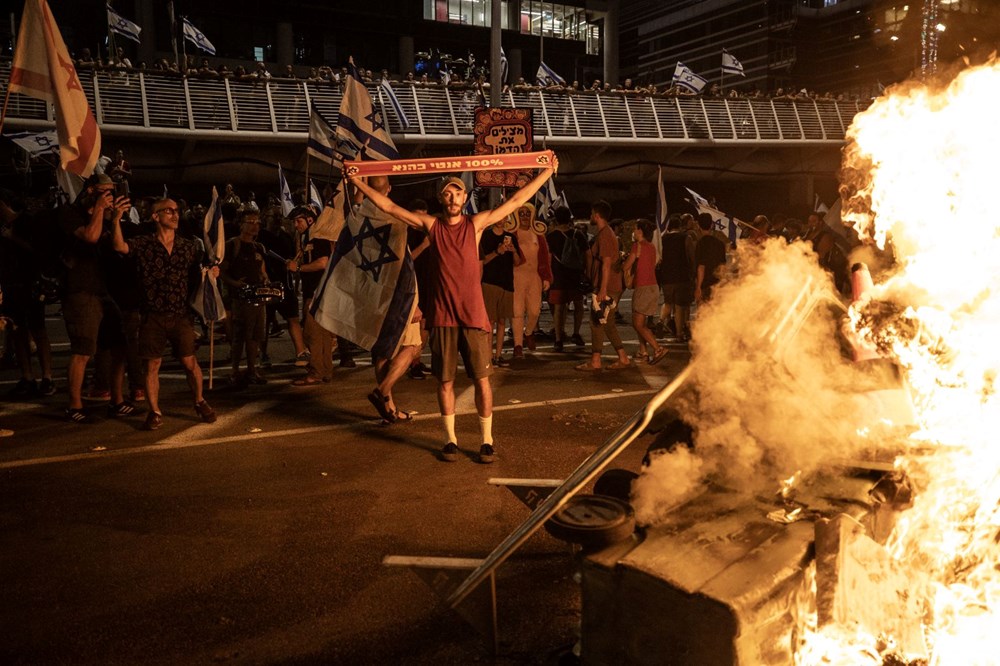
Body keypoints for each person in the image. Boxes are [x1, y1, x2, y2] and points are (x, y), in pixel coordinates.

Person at [349, 158, 557, 464]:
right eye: (448, 193)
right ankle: (450, 440)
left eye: (458, 193)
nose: (453, 198)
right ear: (441, 198)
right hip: (444, 317)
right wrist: (357, 181)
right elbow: (391, 208)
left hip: (473, 316)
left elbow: (516, 200)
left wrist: (547, 173)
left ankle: (486, 440)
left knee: (482, 381)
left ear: (464, 197)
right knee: (444, 382)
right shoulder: (432, 225)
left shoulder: (475, 224)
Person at [111, 197, 218, 430]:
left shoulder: (188, 247)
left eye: (177, 210)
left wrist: (212, 273)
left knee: (190, 362)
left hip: (180, 314)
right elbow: (120, 246)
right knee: (152, 365)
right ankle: (154, 411)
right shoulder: (143, 244)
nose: (175, 214)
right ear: (155, 216)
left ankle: (199, 401)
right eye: (168, 211)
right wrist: (116, 220)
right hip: (152, 315)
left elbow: (201, 272)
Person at [58, 175, 133, 423]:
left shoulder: (106, 215)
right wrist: (100, 209)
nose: (109, 197)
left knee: (119, 345)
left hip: (103, 290)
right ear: (91, 191)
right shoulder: (71, 213)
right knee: (83, 350)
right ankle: (74, 404)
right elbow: (90, 236)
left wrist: (117, 219)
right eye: (105, 192)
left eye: (112, 192)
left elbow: (116, 247)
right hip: (80, 290)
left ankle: (117, 400)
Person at [353, 177, 422, 423]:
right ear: (389, 189)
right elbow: (405, 261)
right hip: (399, 291)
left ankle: (389, 407)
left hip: (373, 292)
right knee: (411, 347)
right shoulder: (394, 215)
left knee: (382, 353)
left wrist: (356, 183)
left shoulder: (358, 217)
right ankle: (383, 391)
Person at [577, 200, 630, 371]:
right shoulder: (604, 234)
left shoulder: (606, 235)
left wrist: (602, 289)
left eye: (592, 213)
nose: (590, 217)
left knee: (597, 321)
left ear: (597, 215)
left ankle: (596, 361)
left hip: (608, 286)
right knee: (607, 323)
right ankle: (622, 358)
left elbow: (606, 264)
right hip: (608, 285)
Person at [287, 205, 335, 385]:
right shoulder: (310, 238)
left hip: (316, 292)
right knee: (323, 335)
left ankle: (315, 372)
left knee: (311, 334)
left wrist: (298, 268)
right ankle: (325, 370)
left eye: (298, 220)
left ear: (309, 220)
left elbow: (322, 263)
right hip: (321, 292)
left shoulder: (318, 238)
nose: (295, 224)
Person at [220, 209, 269, 385]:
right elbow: (222, 273)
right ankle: (234, 371)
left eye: (258, 222)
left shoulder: (259, 247)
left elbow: (262, 271)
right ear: (241, 224)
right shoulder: (233, 245)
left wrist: (265, 279)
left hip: (258, 298)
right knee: (239, 336)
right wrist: (235, 284)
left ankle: (251, 370)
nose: (255, 226)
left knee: (255, 336)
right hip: (240, 299)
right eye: (251, 221)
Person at [479, 216, 522, 367]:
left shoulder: (510, 237)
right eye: (498, 216)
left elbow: (517, 262)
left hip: (507, 283)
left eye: (504, 217)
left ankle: (498, 355)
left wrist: (514, 250)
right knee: (490, 321)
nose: (501, 220)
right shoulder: (486, 236)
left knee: (502, 320)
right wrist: (498, 251)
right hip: (490, 282)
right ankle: (488, 356)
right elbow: (482, 261)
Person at [623, 220, 667, 364]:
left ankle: (658, 348)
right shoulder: (652, 247)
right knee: (640, 322)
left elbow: (626, 267)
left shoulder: (637, 246)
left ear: (640, 231)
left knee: (638, 324)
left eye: (635, 229)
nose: (633, 232)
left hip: (643, 288)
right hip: (652, 286)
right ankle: (643, 351)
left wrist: (624, 261)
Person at [511, 203, 551, 358]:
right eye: (521, 214)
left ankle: (528, 332)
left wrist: (546, 277)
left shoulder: (538, 235)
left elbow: (544, 258)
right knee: (517, 312)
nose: (525, 217)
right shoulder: (512, 234)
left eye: (527, 214)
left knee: (535, 311)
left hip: (534, 277)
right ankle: (518, 345)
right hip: (517, 276)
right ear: (516, 216)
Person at [545, 206, 587, 352]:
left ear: (556, 219)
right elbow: (587, 255)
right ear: (569, 218)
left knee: (558, 308)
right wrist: (585, 272)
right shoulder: (578, 234)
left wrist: (547, 276)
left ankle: (558, 338)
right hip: (575, 275)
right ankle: (576, 333)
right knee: (579, 305)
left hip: (558, 275)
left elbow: (548, 258)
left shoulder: (550, 237)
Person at [656, 214, 695, 343]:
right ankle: (679, 334)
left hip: (666, 276)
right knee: (679, 307)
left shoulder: (663, 239)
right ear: (679, 226)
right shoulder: (686, 238)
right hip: (681, 276)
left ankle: (661, 321)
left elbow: (659, 257)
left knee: (667, 302)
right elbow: (691, 256)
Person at [694, 212, 728, 304]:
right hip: (717, 285)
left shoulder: (700, 244)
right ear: (712, 225)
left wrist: (698, 287)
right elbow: (723, 266)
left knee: (704, 314)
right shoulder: (720, 244)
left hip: (705, 285)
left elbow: (701, 266)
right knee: (715, 314)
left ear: (698, 226)